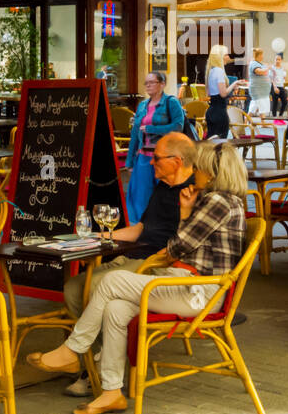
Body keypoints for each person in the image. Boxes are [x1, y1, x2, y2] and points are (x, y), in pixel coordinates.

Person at [29, 141, 247, 414]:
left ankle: (73, 349)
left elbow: (178, 248)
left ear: (213, 174)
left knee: (111, 281)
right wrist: (185, 217)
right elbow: (182, 246)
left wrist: (183, 215)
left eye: (201, 168)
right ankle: (111, 393)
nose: (197, 172)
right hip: (189, 286)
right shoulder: (225, 201)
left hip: (199, 293)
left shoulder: (217, 201)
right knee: (115, 308)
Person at [60, 130, 196, 397]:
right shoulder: (162, 187)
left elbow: (188, 245)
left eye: (155, 158)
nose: (150, 162)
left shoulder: (194, 192)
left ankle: (94, 370)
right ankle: (94, 359)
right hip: (133, 256)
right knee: (74, 288)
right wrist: (98, 236)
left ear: (177, 161)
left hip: (156, 265)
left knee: (95, 287)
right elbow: (141, 228)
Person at [123, 71, 186, 226]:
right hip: (144, 157)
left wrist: (152, 129)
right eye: (146, 83)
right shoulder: (142, 105)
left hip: (165, 158)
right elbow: (135, 134)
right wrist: (130, 160)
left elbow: (178, 126)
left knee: (164, 196)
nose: (148, 86)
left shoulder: (171, 102)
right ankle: (140, 230)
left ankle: (162, 229)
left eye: (152, 82)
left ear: (162, 84)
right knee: (139, 197)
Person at [204, 44, 245, 139]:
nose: (229, 57)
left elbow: (210, 93)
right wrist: (234, 84)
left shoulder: (211, 71)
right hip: (220, 113)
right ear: (220, 57)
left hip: (211, 112)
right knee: (220, 146)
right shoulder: (219, 71)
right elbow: (223, 94)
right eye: (226, 55)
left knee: (211, 146)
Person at [246, 47, 273, 116]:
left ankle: (247, 120)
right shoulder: (254, 63)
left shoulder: (261, 64)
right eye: (262, 55)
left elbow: (266, 74)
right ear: (258, 55)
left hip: (262, 91)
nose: (263, 56)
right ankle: (262, 122)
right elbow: (259, 72)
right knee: (261, 105)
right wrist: (268, 68)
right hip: (258, 90)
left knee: (255, 106)